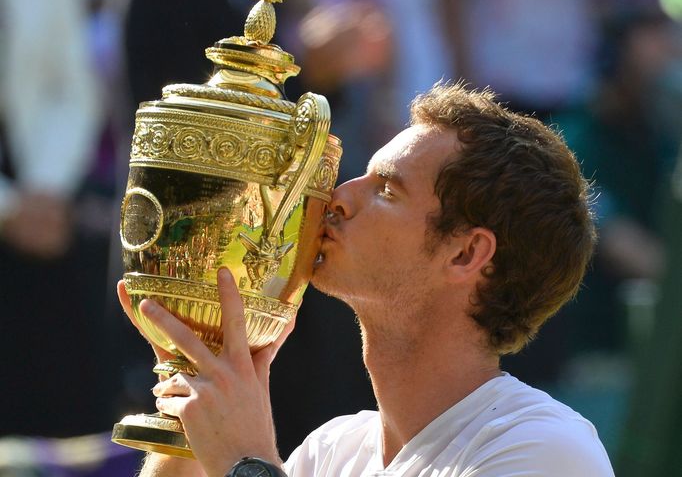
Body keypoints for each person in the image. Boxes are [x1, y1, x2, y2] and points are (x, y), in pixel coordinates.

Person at [118, 82, 615, 476]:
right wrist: (196, 395)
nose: (337, 197)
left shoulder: (546, 450)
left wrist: (244, 462)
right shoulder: (333, 450)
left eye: (386, 190)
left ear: (466, 253)